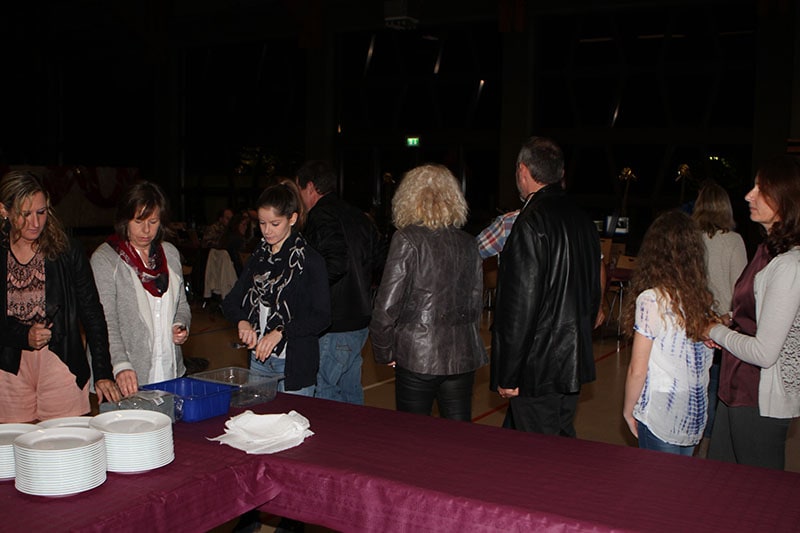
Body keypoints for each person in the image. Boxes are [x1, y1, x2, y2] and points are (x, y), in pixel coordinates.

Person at [490, 136, 601, 436]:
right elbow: (593, 290)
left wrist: (508, 373)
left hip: (537, 366)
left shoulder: (530, 221)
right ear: (559, 173)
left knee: (537, 452)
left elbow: (520, 305)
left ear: (523, 171)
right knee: (560, 441)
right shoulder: (582, 219)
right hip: (571, 359)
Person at [0, 170, 121, 422]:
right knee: (14, 443)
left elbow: (92, 313)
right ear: (4, 211)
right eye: (25, 214)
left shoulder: (67, 250)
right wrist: (23, 335)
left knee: (67, 439)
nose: (35, 223)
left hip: (61, 360)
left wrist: (102, 372)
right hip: (9, 366)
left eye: (41, 212)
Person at [369, 164, 487, 421]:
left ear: (408, 197)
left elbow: (386, 306)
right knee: (459, 435)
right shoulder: (469, 242)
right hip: (462, 354)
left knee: (413, 435)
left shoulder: (407, 239)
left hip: (417, 354)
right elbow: (475, 303)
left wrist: (385, 350)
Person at [704, 155, 800, 470]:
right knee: (719, 482)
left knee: (759, 494)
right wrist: (729, 321)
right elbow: (754, 312)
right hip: (735, 386)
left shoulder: (789, 265)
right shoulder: (766, 251)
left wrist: (713, 330)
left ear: (786, 199)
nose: (749, 195)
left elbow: (764, 353)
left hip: (758, 398)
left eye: (761, 189)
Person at [621, 210, 716, 455]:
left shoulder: (652, 300)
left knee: (657, 479)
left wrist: (628, 409)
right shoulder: (702, 299)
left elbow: (637, 369)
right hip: (694, 411)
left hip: (661, 412)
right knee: (681, 479)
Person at [223, 183, 330, 396]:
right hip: (259, 360)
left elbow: (322, 317)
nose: (267, 231)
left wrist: (281, 332)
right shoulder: (259, 256)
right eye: (262, 223)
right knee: (258, 416)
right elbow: (231, 300)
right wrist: (242, 321)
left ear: (292, 219)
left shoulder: (310, 261)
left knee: (293, 417)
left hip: (295, 363)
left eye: (275, 223)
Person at [89, 181, 191, 396]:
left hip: (169, 370)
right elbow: (105, 321)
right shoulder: (106, 259)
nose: (146, 230)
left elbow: (182, 304)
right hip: (126, 375)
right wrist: (120, 364)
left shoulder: (170, 254)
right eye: (138, 221)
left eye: (153, 222)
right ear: (124, 220)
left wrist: (180, 324)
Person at [296, 160, 385, 405]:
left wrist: (305, 291)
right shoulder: (359, 216)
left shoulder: (320, 216)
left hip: (334, 321)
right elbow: (381, 262)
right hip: (360, 319)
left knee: (325, 393)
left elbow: (335, 264)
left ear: (310, 187)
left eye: (299, 190)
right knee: (350, 392)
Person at [691, 181, 748, 457]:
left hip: (693, 323)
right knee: (714, 389)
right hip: (722, 326)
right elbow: (742, 289)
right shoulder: (733, 241)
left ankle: (691, 440)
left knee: (694, 386)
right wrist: (730, 316)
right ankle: (708, 449)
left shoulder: (691, 239)